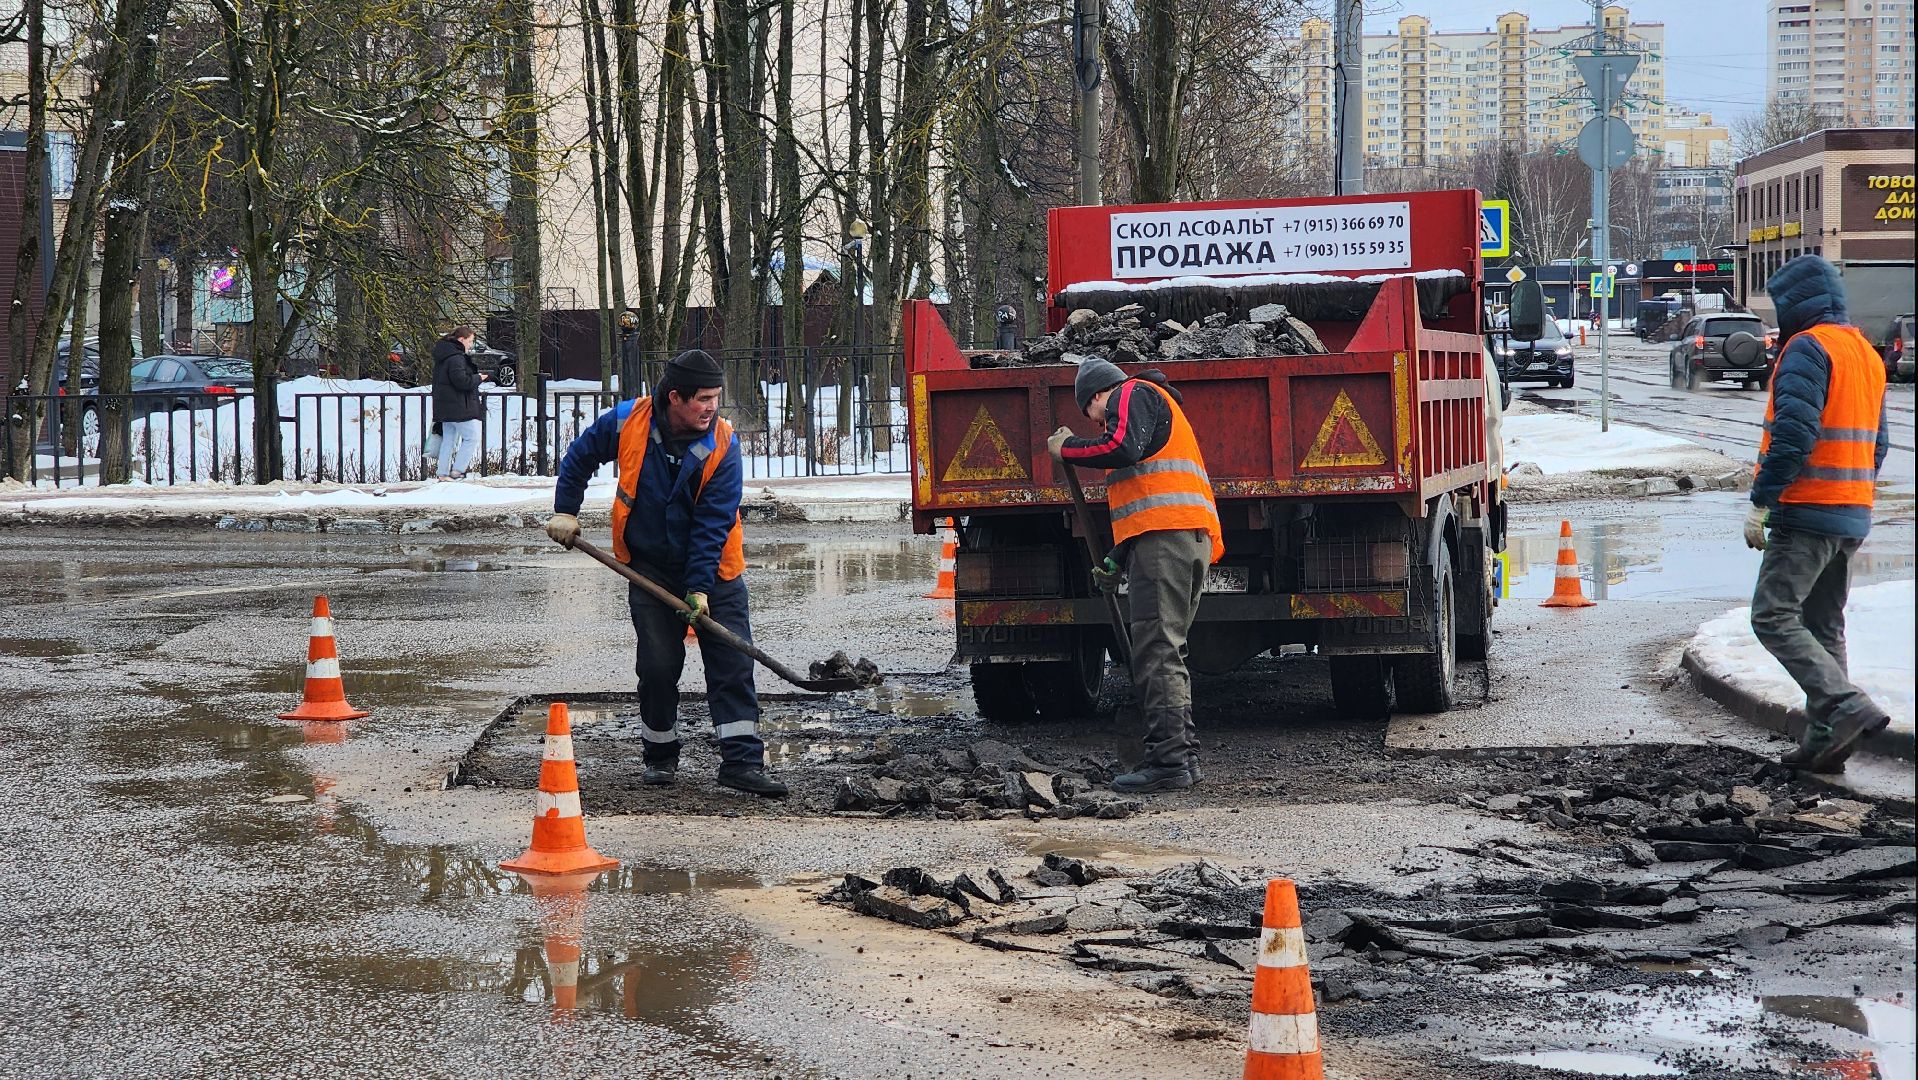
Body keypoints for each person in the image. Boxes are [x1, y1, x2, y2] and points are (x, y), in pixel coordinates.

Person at [544, 349, 788, 798]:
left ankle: (741, 762)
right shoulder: (626, 421)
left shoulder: (723, 443)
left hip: (716, 568)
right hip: (650, 567)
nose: (712, 407)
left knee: (731, 663)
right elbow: (579, 457)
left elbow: (713, 522)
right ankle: (660, 756)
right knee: (657, 666)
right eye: (703, 399)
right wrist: (565, 511)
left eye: (716, 398)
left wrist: (698, 587)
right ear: (674, 397)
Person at [1742, 255, 1892, 773]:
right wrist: (1852, 492)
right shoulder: (1864, 353)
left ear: (1797, 303)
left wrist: (1764, 499)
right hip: (1851, 511)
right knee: (1824, 625)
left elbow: (1794, 436)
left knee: (1772, 615)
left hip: (1807, 510)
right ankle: (1828, 740)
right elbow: (1879, 444)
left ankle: (1845, 704)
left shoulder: (1808, 348)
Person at [1048, 358, 1224, 794]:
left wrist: (1068, 448)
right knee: (1165, 650)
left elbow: (1122, 447)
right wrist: (1118, 556)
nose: (1096, 421)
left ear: (1094, 397)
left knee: (1158, 651)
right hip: (1174, 538)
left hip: (1169, 541)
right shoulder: (1149, 404)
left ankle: (1171, 762)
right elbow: (1148, 494)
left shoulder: (1130, 394)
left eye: (1089, 413)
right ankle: (1180, 756)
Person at [431, 327, 487, 479]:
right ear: (461, 339)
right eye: (470, 341)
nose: (471, 345)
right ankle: (457, 471)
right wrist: (478, 378)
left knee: (448, 440)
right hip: (457, 406)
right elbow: (461, 381)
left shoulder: (443, 356)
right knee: (472, 437)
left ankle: (442, 473)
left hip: (445, 405)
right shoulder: (456, 358)